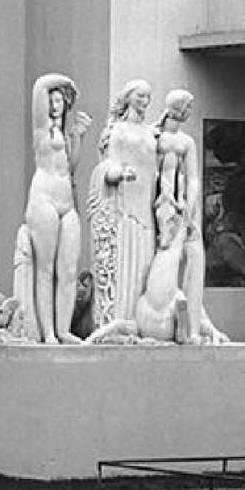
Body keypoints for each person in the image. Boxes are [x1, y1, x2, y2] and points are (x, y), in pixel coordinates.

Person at [8, 73, 89, 342]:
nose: (55, 106)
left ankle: (64, 329)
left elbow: (71, 168)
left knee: (67, 270)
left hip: (66, 201)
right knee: (45, 269)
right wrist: (67, 82)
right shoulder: (41, 129)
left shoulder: (64, 135)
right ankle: (48, 332)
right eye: (52, 101)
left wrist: (77, 137)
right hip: (43, 198)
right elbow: (39, 84)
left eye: (59, 101)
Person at [84, 80, 157, 333]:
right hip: (124, 210)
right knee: (125, 266)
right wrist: (119, 173)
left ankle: (144, 322)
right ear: (128, 98)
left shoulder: (150, 132)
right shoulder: (117, 130)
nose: (145, 101)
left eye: (148, 97)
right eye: (140, 96)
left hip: (147, 211)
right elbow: (106, 166)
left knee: (145, 265)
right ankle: (119, 322)